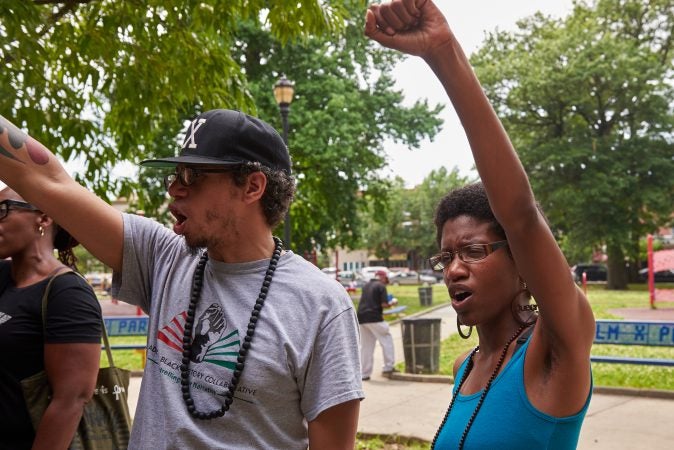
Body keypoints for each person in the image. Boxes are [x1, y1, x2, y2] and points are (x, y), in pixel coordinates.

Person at [0, 108, 363, 449]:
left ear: (253, 187)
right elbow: (45, 180)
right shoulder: (164, 258)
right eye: (175, 175)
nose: (174, 189)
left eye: (194, 176)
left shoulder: (321, 306)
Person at [365, 1, 595, 449]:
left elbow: (521, 215)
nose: (453, 269)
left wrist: (442, 53)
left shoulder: (554, 350)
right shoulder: (464, 369)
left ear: (521, 263)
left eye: (473, 251)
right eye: (446, 256)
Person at [0, 187, 102, 450]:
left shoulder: (67, 292)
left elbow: (71, 400)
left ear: (44, 217)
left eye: (2, 211)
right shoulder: (3, 277)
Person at [357, 270, 398, 381]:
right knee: (386, 340)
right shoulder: (381, 286)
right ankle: (388, 367)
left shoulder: (366, 286)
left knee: (366, 346)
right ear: (383, 278)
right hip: (374, 317)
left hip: (361, 317)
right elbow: (384, 304)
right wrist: (392, 303)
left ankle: (364, 374)